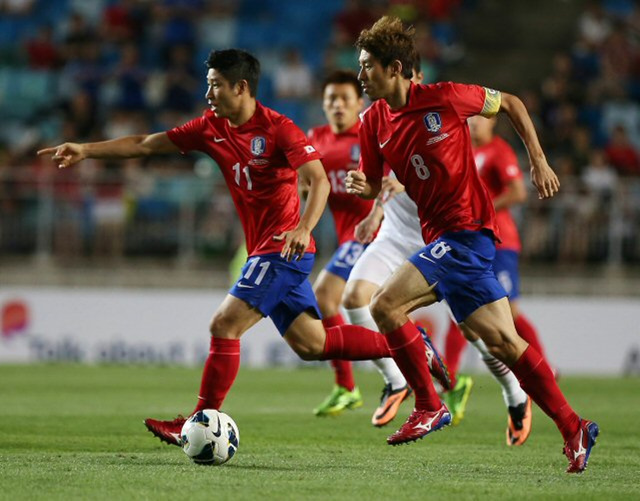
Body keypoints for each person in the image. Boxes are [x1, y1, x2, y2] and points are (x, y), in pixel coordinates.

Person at [38, 48, 448, 447]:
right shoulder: (209, 127)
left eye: (215, 85)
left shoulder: (278, 128)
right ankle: (415, 345)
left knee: (224, 325)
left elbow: (318, 179)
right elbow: (146, 143)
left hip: (282, 250)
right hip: (263, 251)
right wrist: (86, 150)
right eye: (208, 85)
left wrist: (305, 227)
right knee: (314, 344)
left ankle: (195, 421)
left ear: (241, 88)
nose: (208, 94)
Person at [345, 16, 597, 473]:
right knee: (504, 342)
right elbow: (375, 186)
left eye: (367, 67)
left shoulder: (445, 97)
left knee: (384, 305)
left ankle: (428, 404)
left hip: (468, 234)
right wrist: (363, 185)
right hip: (441, 238)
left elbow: (514, 103)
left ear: (395, 67)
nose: (360, 75)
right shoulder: (371, 122)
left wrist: (538, 162)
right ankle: (574, 426)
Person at [344, 59, 529, 440]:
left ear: (412, 77)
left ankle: (514, 392)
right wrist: (373, 205)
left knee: (479, 332)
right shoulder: (376, 118)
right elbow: (379, 176)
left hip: (441, 238)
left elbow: (421, 169)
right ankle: (400, 382)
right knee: (356, 299)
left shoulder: (441, 110)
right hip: (397, 235)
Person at [306, 70, 371, 416]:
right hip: (349, 238)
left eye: (346, 99)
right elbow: (303, 184)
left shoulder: (371, 135)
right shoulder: (315, 138)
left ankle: (347, 386)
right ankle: (443, 380)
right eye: (332, 99)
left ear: (359, 103)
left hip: (376, 234)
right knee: (386, 314)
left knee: (325, 295)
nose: (338, 105)